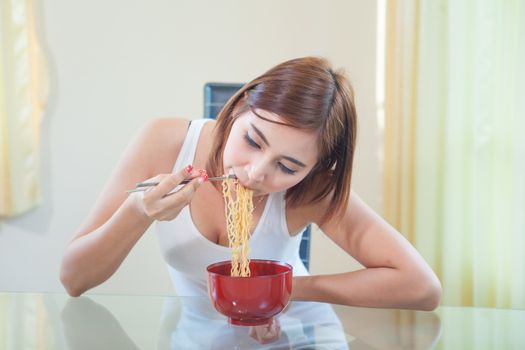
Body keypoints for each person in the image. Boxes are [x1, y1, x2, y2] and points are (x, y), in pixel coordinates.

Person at [60, 57, 442, 310]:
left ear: (313, 170)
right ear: (239, 106)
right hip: (190, 334)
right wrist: (139, 210)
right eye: (253, 141)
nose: (257, 172)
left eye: (288, 167)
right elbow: (74, 279)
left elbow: (422, 288)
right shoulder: (167, 142)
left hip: (290, 332)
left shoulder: (313, 191)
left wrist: (285, 289)